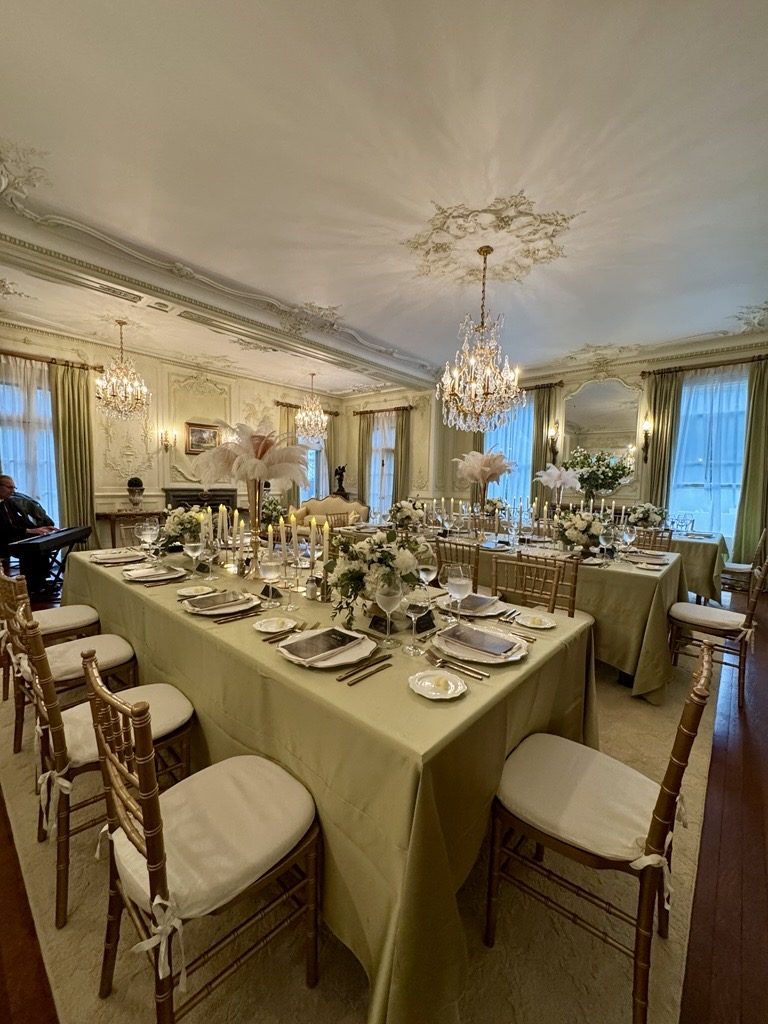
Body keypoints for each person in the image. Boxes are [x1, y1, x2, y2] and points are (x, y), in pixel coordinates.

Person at [0, 475, 58, 592]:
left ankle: (41, 582)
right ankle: (31, 586)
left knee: (41, 546)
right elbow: (4, 529)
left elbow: (20, 521)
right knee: (31, 550)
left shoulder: (8, 502)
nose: (13, 491)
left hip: (14, 537)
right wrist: (29, 531)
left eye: (14, 488)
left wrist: (39, 528)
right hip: (3, 541)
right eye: (9, 487)